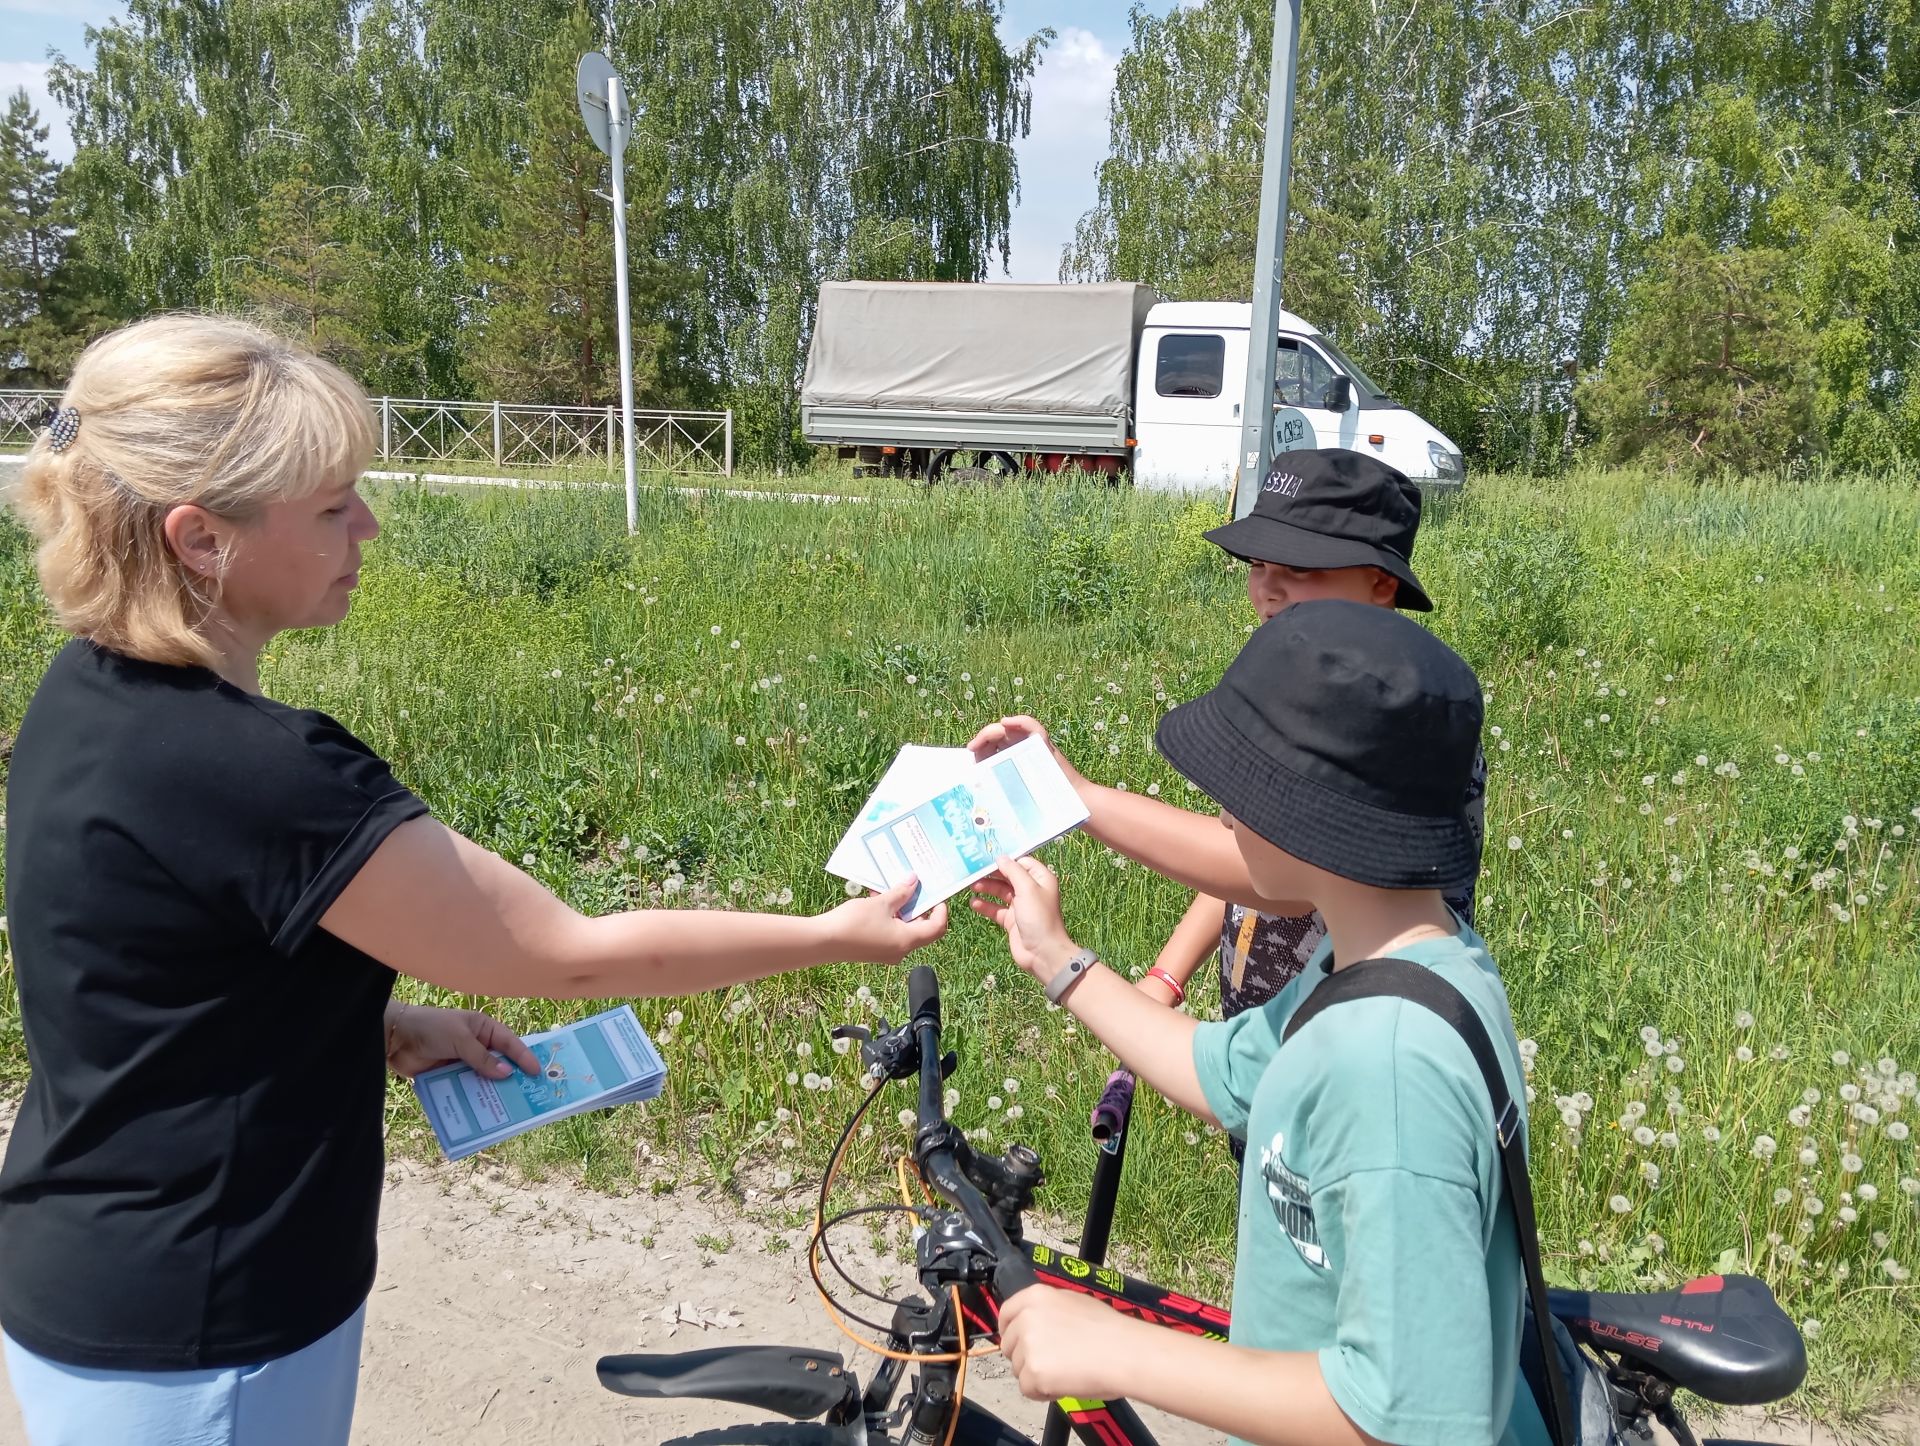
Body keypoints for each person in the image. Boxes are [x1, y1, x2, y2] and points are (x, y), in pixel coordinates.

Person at [0, 313, 944, 1446]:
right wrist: (834, 934)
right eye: (332, 504)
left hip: (95, 1274)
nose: (370, 525)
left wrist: (376, 1020)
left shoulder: (87, 692)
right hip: (207, 1328)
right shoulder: (260, 772)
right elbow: (570, 951)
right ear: (201, 539)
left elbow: (155, 974)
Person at [972, 601, 1547, 1446]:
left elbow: (1413, 1417)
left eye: (1241, 785)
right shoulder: (1385, 956)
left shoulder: (1389, 1069)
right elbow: (1224, 1073)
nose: (1220, 809)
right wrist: (1058, 959)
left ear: (1319, 816)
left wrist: (1116, 1348)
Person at [998, 451, 1485, 1162]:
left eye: (1301, 569)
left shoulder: (1391, 714)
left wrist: (1076, 799)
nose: (1269, 588)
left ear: (1381, 584)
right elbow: (1254, 843)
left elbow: (1267, 877)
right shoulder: (1306, 681)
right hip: (1268, 1030)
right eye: (1258, 564)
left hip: (1341, 1042)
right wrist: (1170, 970)